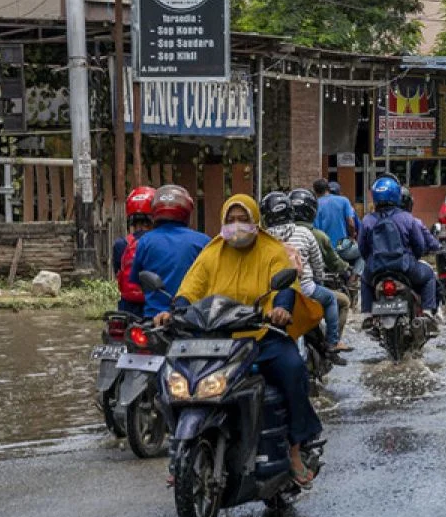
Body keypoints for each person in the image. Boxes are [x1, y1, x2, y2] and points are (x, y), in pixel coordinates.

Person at [153, 195, 322, 487]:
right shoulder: (211, 252)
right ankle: (179, 448)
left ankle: (295, 450)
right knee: (168, 377)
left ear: (255, 220)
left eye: (242, 219)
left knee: (293, 369)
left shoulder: (272, 251)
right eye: (230, 220)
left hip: (260, 336)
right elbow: (190, 289)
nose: (236, 226)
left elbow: (286, 287)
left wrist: (280, 309)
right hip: (215, 339)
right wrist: (172, 312)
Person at [260, 191, 351, 359]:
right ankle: (332, 342)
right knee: (331, 299)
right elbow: (317, 264)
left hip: (271, 295)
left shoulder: (262, 238)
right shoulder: (305, 233)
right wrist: (318, 277)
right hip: (306, 289)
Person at [358, 177, 440, 332]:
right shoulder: (407, 218)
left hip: (376, 271)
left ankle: (367, 315)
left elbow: (362, 249)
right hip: (405, 268)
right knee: (429, 275)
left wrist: (371, 262)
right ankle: (428, 313)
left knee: (364, 280)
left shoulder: (367, 220)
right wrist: (413, 259)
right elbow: (419, 245)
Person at [129, 185, 208, 318]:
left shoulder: (145, 241)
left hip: (154, 319)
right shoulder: (203, 241)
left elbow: (137, 280)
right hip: (192, 318)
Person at [292, 186, 353, 327]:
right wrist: (346, 270)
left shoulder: (276, 234)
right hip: (308, 286)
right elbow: (324, 263)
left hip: (282, 292)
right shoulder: (315, 235)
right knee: (342, 302)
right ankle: (333, 341)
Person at [112, 186, 156, 317]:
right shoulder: (159, 242)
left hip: (128, 305)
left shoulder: (121, 244)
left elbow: (118, 273)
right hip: (155, 303)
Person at [313, 177, 357, 249]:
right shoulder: (344, 200)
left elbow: (314, 230)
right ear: (328, 189)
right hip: (342, 247)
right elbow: (351, 223)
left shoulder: (315, 205)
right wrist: (352, 237)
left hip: (324, 248)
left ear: (315, 191)